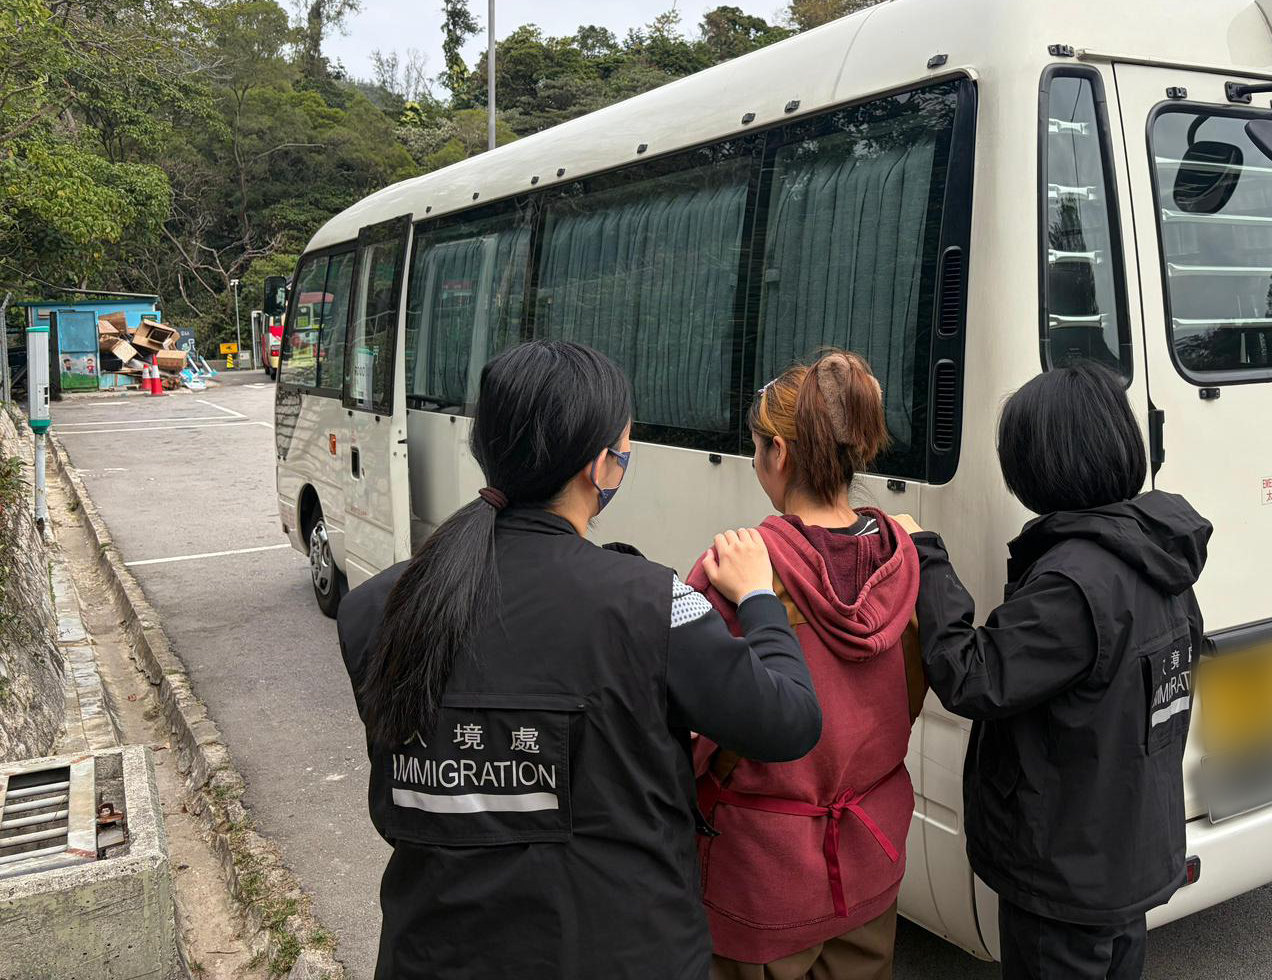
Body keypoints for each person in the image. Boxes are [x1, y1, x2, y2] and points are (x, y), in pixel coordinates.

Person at [336, 340, 823, 980]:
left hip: (431, 955)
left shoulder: (375, 606)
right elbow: (789, 721)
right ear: (602, 467)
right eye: (624, 448)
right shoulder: (656, 603)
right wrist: (759, 598)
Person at [899, 360, 1210, 980]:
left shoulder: (1075, 583)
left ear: (1041, 467)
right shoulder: (1156, 552)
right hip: (1123, 852)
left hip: (1067, 871)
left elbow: (972, 676)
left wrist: (926, 558)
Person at [689, 350, 924, 980]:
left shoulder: (737, 569)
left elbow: (692, 732)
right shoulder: (906, 560)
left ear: (780, 453)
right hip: (870, 857)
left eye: (758, 445)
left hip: (761, 879)